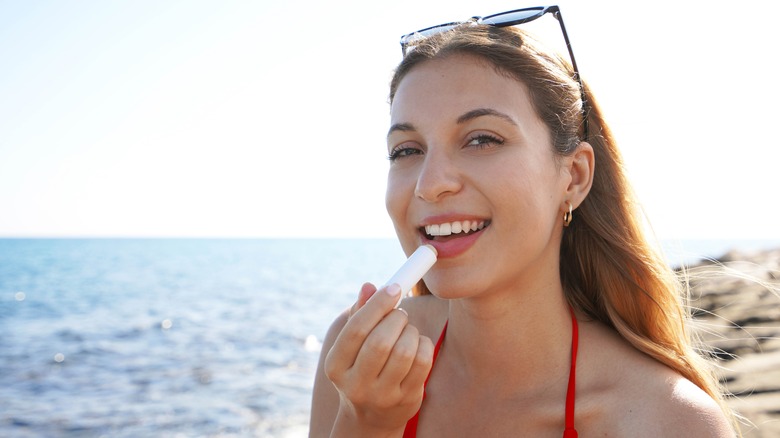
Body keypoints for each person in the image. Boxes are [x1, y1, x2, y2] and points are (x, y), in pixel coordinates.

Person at [310, 6, 736, 437]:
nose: (430, 184)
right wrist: (365, 423)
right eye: (406, 150)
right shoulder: (356, 364)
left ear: (574, 176)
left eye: (482, 140)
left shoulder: (667, 422)